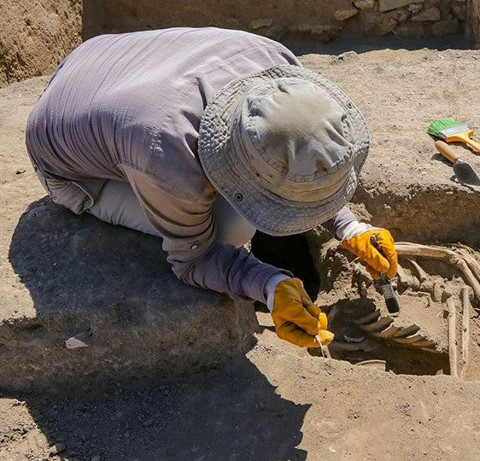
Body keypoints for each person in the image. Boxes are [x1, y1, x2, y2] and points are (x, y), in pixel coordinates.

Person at [25, 27, 398, 349]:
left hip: (99, 58)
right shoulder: (168, 159)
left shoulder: (277, 64)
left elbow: (297, 146)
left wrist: (349, 225)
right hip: (67, 161)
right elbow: (194, 259)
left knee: (225, 207)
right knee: (231, 226)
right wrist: (268, 284)